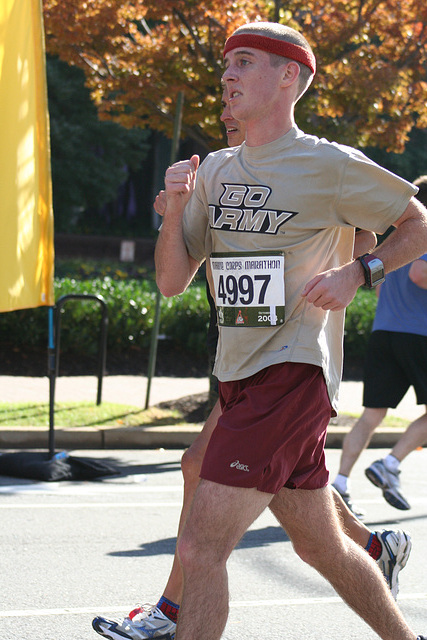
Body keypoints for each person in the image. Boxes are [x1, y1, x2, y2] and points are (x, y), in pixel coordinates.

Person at [92, 93, 413, 640]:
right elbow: (171, 282)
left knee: (201, 543)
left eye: (242, 65)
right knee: (319, 545)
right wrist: (174, 210)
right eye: (225, 70)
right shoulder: (214, 172)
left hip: (293, 369)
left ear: (288, 78)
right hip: (239, 370)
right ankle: (382, 567)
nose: (226, 86)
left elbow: (396, 226)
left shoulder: (325, 163)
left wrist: (357, 273)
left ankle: (172, 612)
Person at [333, 175, 427, 513]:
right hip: (419, 335)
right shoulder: (424, 235)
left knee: (373, 413)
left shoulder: (395, 241)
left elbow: (377, 283)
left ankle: (340, 483)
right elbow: (420, 274)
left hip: (384, 331)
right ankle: (390, 464)